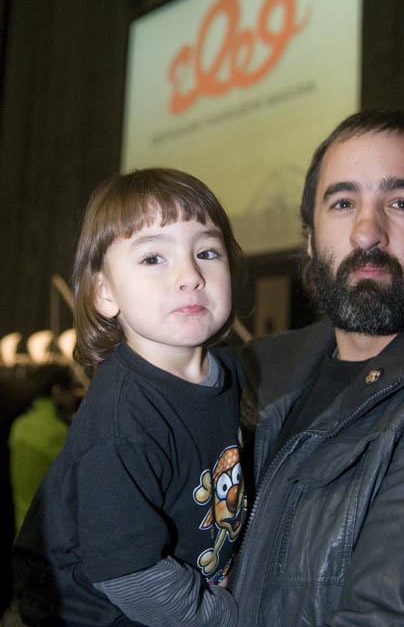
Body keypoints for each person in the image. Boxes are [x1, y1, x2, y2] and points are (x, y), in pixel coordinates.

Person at [231, 109, 404, 626]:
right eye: (342, 202)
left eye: (400, 202)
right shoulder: (252, 377)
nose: (366, 232)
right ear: (311, 239)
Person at [12, 168, 246, 627]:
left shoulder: (230, 372)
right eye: (153, 258)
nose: (190, 275)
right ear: (105, 293)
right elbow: (132, 576)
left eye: (206, 252)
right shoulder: (122, 421)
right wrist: (226, 614)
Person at [9, 362, 79, 536]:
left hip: (23, 528)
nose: (74, 395)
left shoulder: (20, 425)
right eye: (71, 389)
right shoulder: (57, 431)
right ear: (57, 390)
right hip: (53, 533)